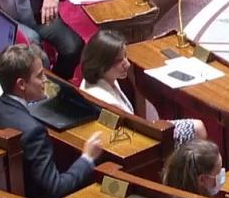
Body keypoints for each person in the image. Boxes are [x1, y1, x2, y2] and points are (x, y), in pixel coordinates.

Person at [0, 44, 102, 198]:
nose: (45, 80)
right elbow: (55, 188)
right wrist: (87, 158)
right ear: (21, 84)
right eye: (40, 76)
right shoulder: (33, 132)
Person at [80, 30, 208, 147]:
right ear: (102, 64)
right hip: (140, 143)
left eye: (125, 56)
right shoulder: (109, 103)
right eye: (120, 61)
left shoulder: (99, 76)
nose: (127, 64)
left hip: (135, 133)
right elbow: (135, 134)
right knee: (198, 128)